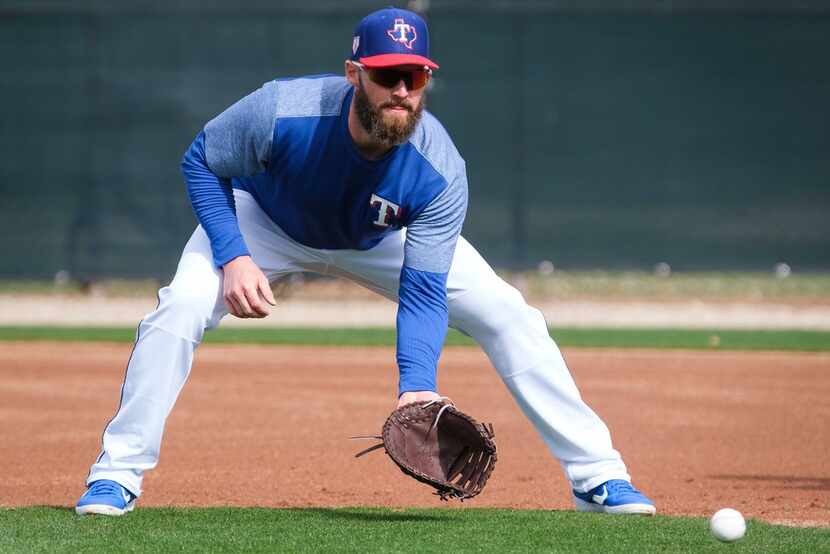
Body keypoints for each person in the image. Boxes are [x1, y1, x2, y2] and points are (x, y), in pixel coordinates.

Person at [76, 7, 655, 517]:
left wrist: (417, 388)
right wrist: (233, 255)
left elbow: (425, 290)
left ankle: (597, 475)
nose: (401, 89)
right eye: (386, 75)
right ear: (355, 74)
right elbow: (202, 160)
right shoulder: (283, 110)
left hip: (381, 237)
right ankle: (116, 474)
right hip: (266, 222)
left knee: (510, 315)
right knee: (179, 308)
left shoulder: (438, 169)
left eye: (415, 76)